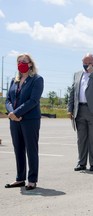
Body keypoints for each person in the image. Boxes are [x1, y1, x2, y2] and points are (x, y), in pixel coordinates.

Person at [5, 53, 44, 190]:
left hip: (30, 120)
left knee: (31, 150)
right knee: (18, 149)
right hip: (14, 121)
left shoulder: (37, 79)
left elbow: (33, 100)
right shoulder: (13, 80)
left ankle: (32, 180)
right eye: (18, 61)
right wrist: (12, 114)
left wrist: (16, 113)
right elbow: (8, 99)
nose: (21, 63)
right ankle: (20, 178)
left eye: (24, 61)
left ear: (30, 64)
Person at [67, 53, 93, 172]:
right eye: (84, 63)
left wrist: (92, 74)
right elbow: (72, 92)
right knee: (81, 139)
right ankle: (81, 163)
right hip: (80, 110)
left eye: (89, 63)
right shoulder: (77, 74)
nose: (86, 66)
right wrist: (70, 109)